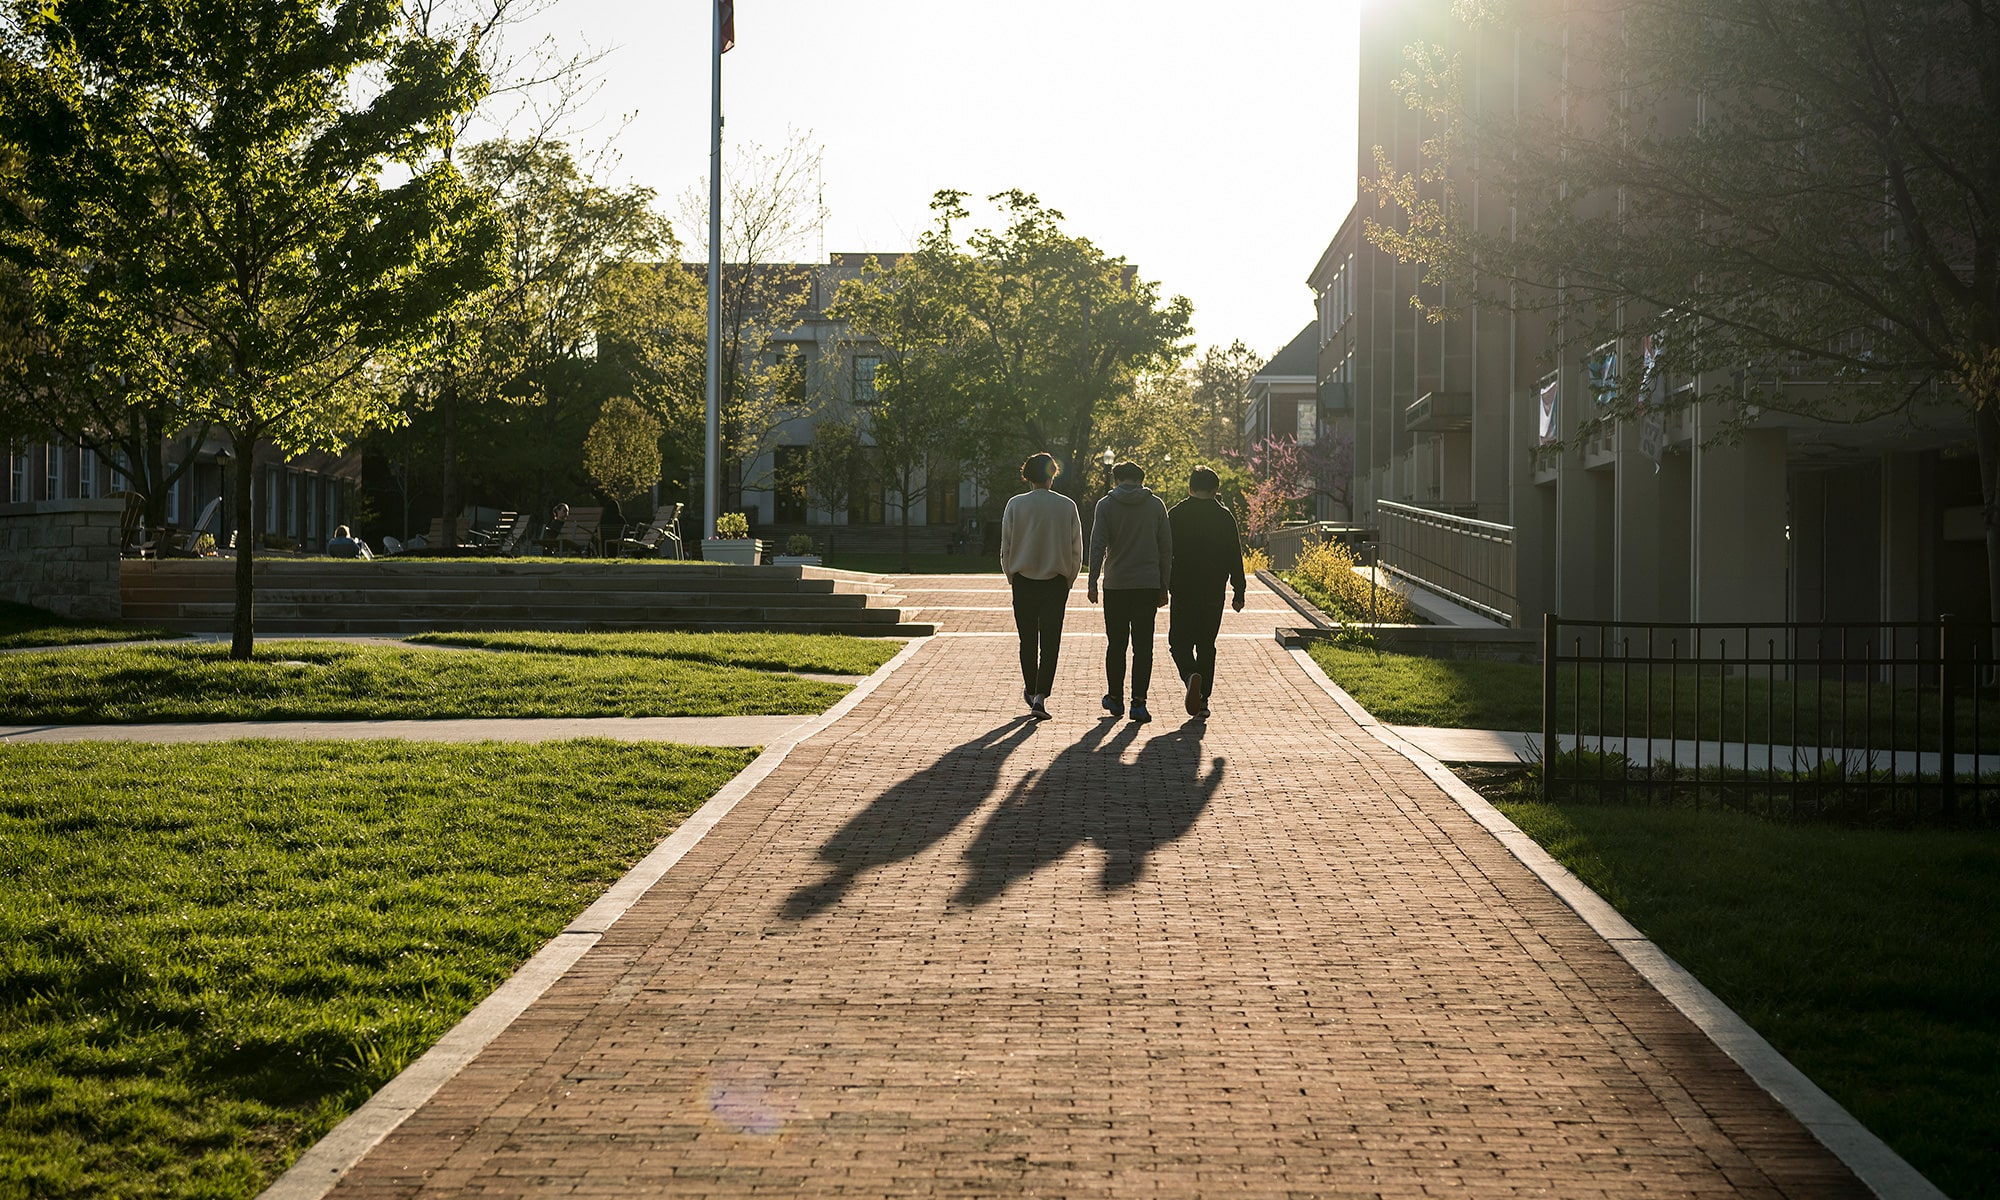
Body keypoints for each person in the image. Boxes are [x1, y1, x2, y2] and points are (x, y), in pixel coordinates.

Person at [1000, 452, 1083, 721]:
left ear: (1027, 476)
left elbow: (1006, 547)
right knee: (1050, 642)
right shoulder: (1067, 506)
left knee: (1027, 640)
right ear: (1053, 474)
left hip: (1023, 579)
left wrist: (1011, 575)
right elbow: (1075, 549)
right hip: (1055, 581)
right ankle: (1040, 696)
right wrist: (1069, 579)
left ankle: (1031, 686)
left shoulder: (1015, 505)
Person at [1087, 460, 1172, 723]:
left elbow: (1097, 544)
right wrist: (1164, 586)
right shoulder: (1156, 505)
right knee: (1143, 646)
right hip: (1147, 583)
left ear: (1116, 480)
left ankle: (1115, 698)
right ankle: (1139, 702)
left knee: (1116, 644)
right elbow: (1166, 549)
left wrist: (1092, 581)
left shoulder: (1105, 505)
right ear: (1141, 479)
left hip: (1116, 583)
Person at [1167, 466, 1245, 718]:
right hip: (1213, 590)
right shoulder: (1224, 517)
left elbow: (1165, 552)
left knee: (1178, 642)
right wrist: (1239, 591)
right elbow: (1235, 554)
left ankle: (1190, 675)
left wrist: (1162, 583)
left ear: (1190, 488)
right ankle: (1202, 699)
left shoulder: (1176, 514)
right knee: (1206, 644)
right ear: (1215, 490)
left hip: (1182, 587)